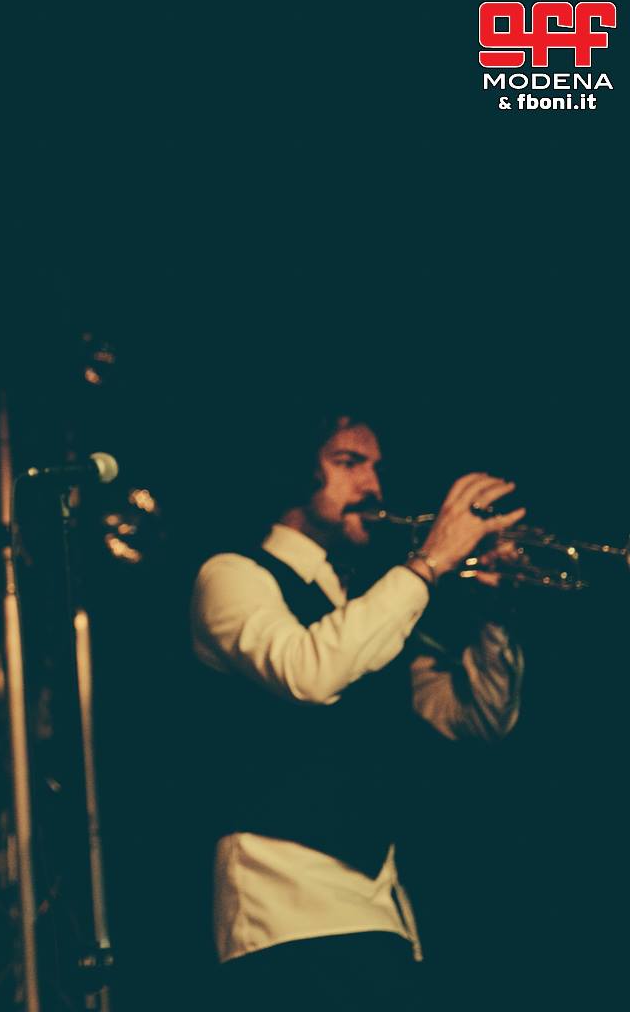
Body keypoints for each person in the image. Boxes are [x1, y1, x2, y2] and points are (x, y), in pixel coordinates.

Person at [190, 413, 527, 1010]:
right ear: (296, 469)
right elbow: (307, 670)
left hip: (382, 903)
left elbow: (473, 718)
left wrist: (491, 615)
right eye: (349, 463)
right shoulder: (232, 574)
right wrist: (429, 562)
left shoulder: (368, 602)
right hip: (283, 902)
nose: (373, 486)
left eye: (376, 467)